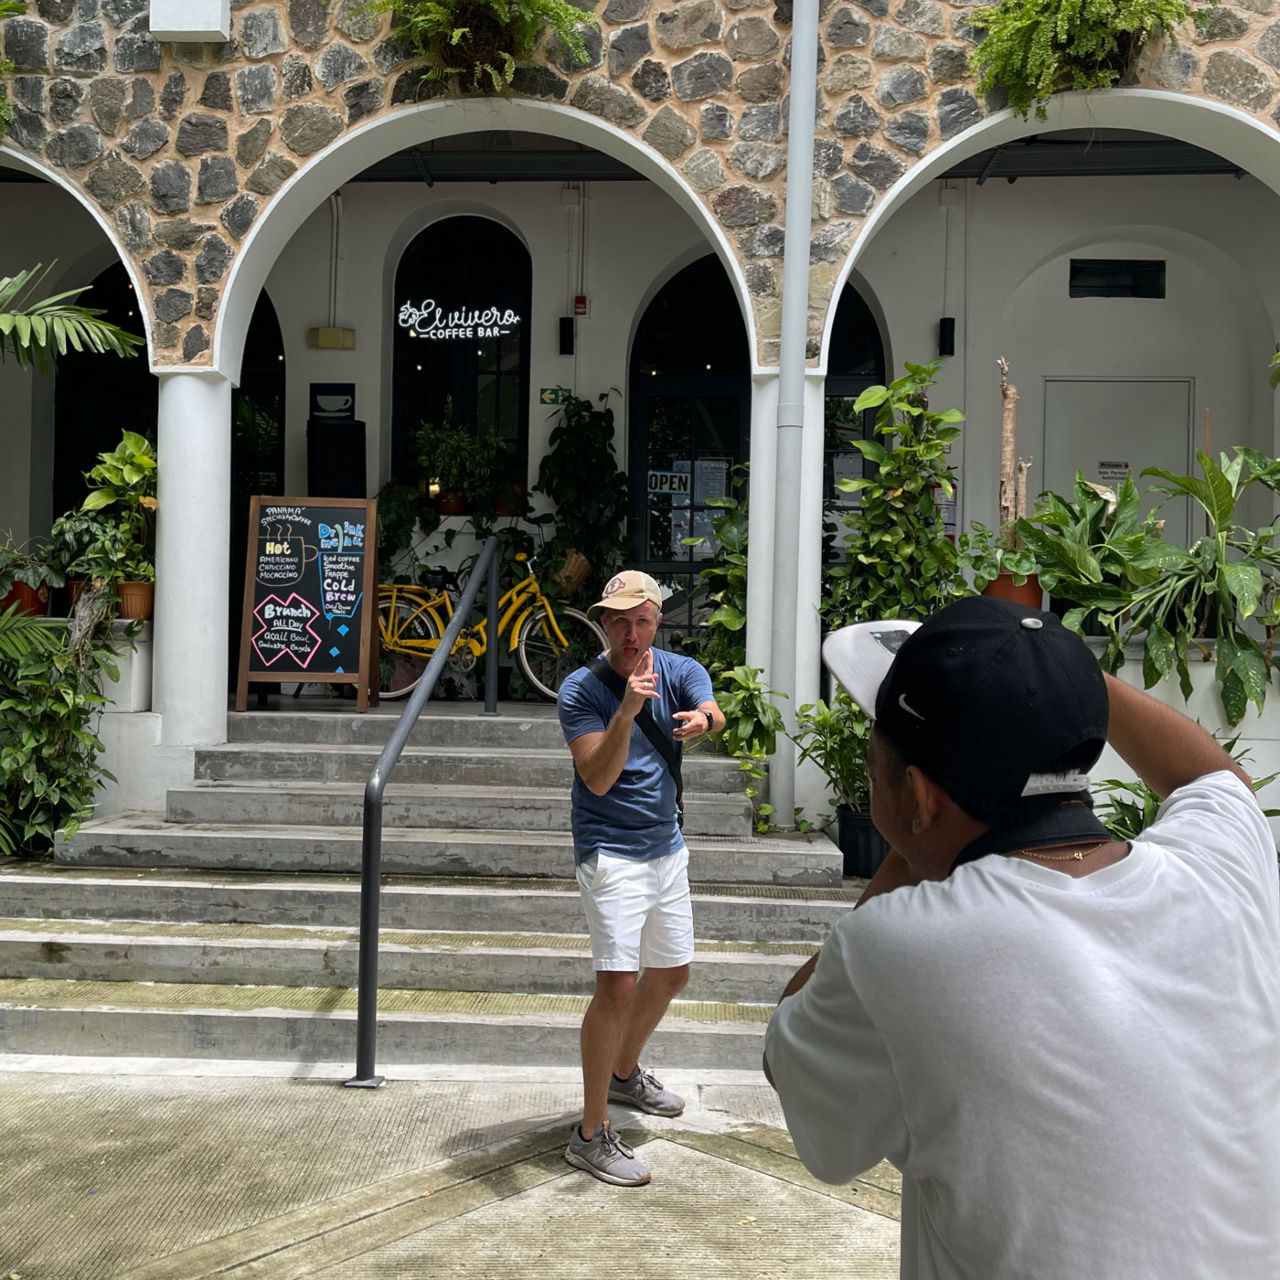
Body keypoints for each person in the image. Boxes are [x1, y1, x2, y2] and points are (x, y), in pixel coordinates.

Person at [764, 595, 1280, 1278]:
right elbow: (1214, 779)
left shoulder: (897, 950)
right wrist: (1043, 669)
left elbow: (786, 1054)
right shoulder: (1221, 871)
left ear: (918, 797)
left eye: (871, 766)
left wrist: (918, 847)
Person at [557, 569, 725, 1186]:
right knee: (618, 987)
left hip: (667, 845)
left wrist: (705, 721)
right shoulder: (581, 690)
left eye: (643, 620)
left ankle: (624, 1074)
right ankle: (589, 1134)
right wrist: (628, 711)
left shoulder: (678, 669)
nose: (632, 633)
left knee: (674, 972)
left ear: (657, 621)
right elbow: (597, 777)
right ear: (604, 624)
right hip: (611, 852)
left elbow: (712, 707)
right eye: (620, 621)